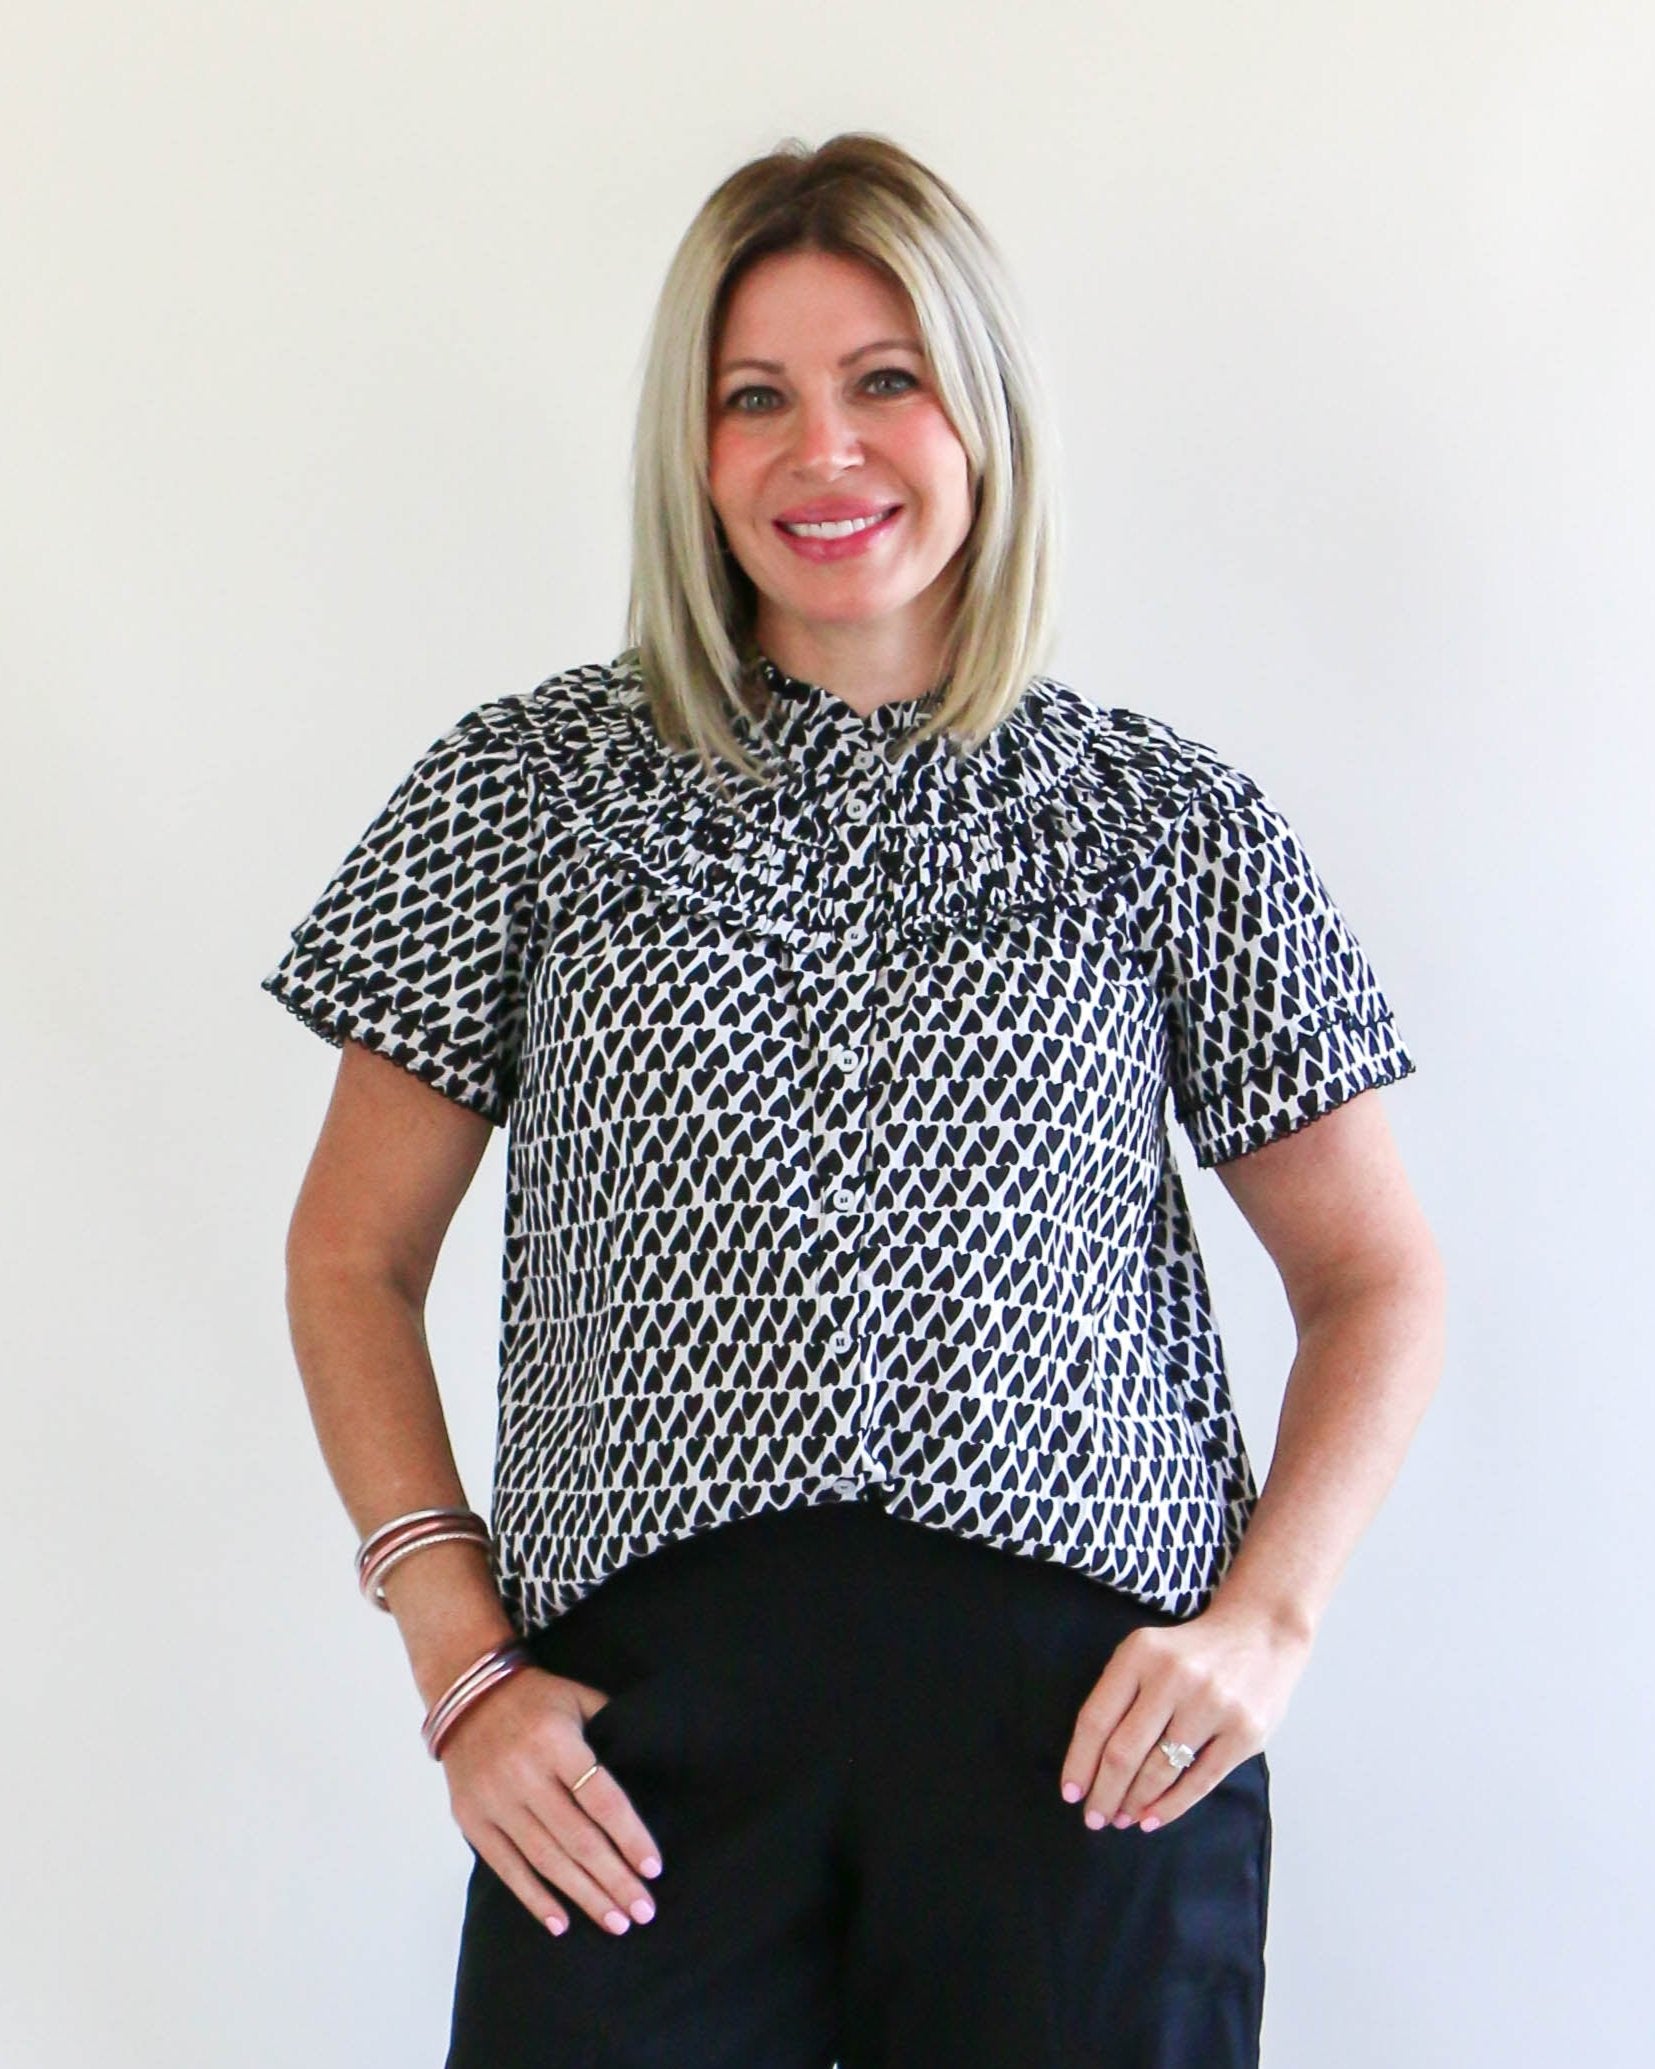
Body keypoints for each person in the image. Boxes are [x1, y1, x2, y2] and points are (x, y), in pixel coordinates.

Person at [261, 132, 1445, 2069]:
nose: (823, 451)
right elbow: (350, 1255)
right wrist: (458, 1659)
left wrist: (1269, 1623)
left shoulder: (1163, 820)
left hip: (1083, 1754)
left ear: (983, 414)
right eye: (756, 398)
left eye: (885, 380)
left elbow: (1378, 1277)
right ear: (692, 446)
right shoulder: (525, 792)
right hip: (637, 1759)